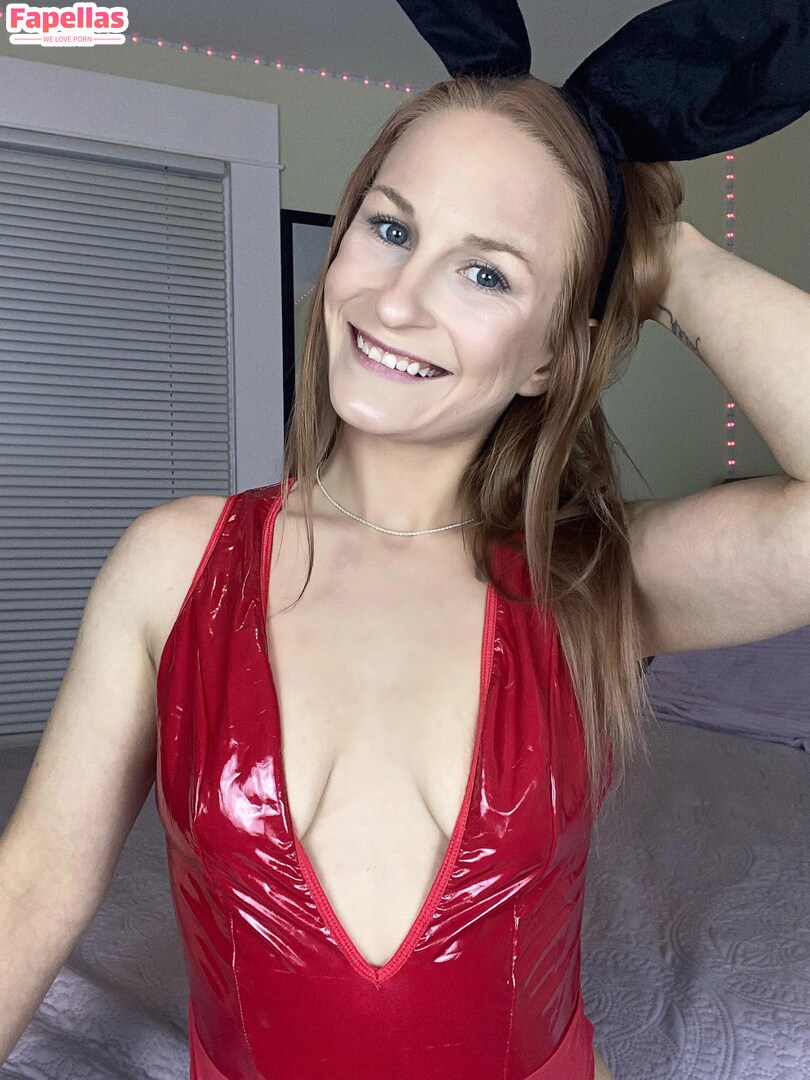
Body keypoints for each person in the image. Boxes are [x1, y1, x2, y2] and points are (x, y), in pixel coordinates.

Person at [3, 67, 809, 1080]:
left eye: (487, 275)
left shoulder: (593, 581)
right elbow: (34, 886)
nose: (397, 299)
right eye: (390, 228)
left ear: (549, 358)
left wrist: (663, 254)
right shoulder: (174, 563)